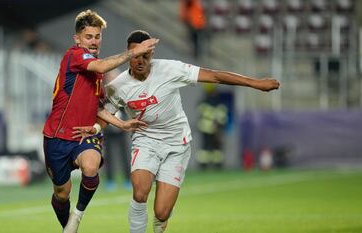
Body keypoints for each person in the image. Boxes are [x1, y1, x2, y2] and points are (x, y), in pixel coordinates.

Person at [73, 30, 279, 233]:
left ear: (151, 54)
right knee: (139, 191)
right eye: (136, 56)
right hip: (145, 141)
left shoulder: (171, 69)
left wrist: (256, 83)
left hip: (176, 144)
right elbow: (106, 114)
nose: (140, 61)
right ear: (128, 55)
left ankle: (162, 219)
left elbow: (215, 75)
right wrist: (96, 128)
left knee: (161, 212)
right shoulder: (118, 87)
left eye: (146, 56)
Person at [42, 10, 157, 233]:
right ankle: (67, 225)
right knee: (61, 193)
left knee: (91, 166)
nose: (94, 42)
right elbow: (102, 65)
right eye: (89, 37)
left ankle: (77, 216)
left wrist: (121, 124)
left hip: (84, 134)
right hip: (57, 135)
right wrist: (134, 52)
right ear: (77, 39)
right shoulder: (74, 55)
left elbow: (99, 108)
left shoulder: (97, 72)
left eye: (97, 37)